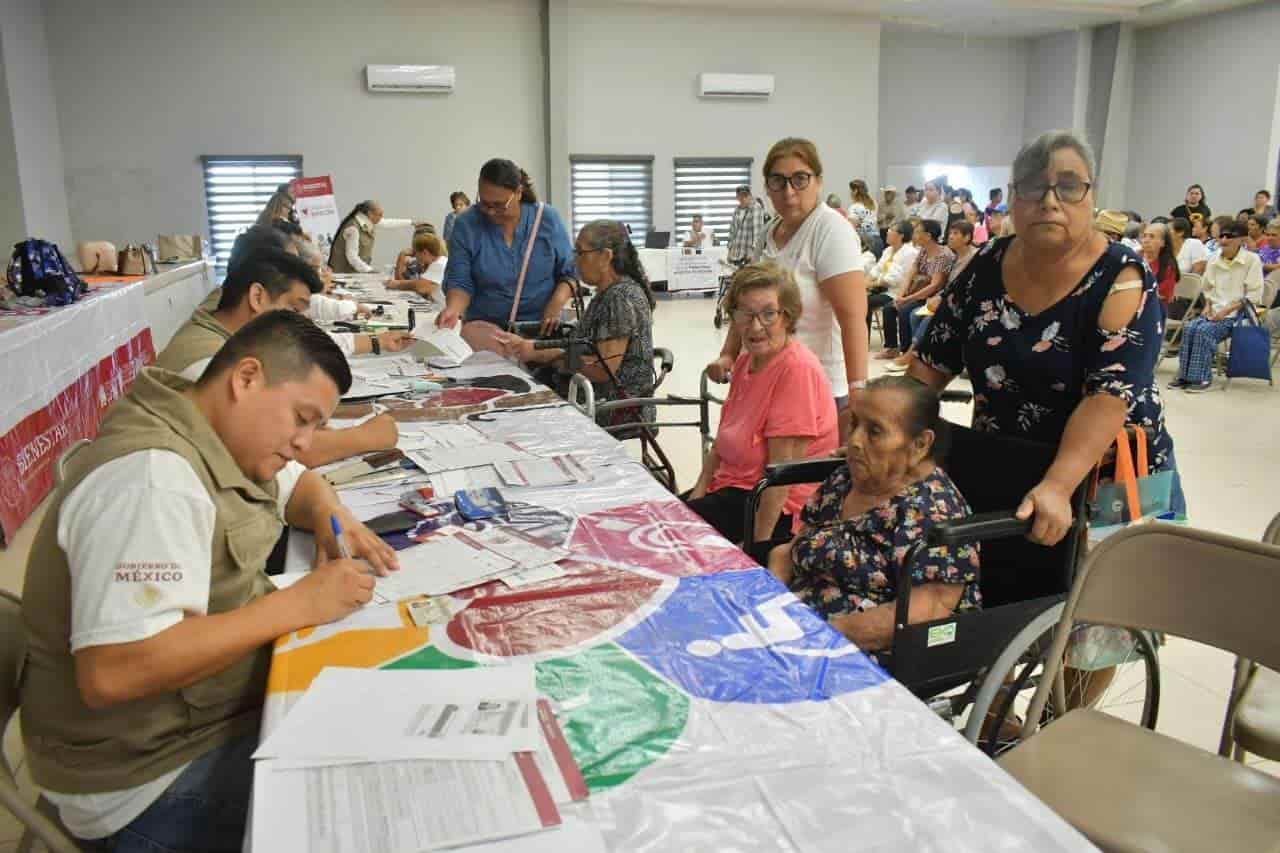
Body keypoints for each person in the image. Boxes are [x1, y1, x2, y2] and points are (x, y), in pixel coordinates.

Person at [20, 310, 399, 850]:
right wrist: (299, 605)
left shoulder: (211, 422)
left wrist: (335, 518)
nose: (303, 442)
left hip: (184, 725)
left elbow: (300, 484)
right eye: (302, 418)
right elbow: (114, 672)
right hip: (144, 778)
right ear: (246, 379)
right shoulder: (155, 480)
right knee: (367, 804)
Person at [912, 130, 1183, 544]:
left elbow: (1108, 398)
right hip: (1005, 461)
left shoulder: (1123, 275)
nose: (1050, 201)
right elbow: (930, 365)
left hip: (1108, 471)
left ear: (1092, 196)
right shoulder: (986, 264)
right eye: (1034, 187)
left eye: (1070, 186)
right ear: (1014, 196)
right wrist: (887, 425)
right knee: (1005, 592)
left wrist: (1058, 484)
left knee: (1120, 596)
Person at [767, 376, 980, 651]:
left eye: (874, 431)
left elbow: (923, 613)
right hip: (794, 624)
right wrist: (770, 603)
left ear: (920, 444)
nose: (854, 440)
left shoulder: (934, 514)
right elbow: (790, 552)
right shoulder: (845, 479)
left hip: (863, 650)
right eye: (855, 424)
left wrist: (816, 637)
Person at [156, 248, 404, 467]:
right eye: (295, 310)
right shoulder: (205, 360)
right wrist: (365, 437)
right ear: (257, 297)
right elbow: (270, 449)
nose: (301, 322)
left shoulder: (223, 330)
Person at [706, 137, 868, 426]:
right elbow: (747, 302)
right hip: (763, 380)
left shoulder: (831, 231)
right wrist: (728, 355)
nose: (789, 192)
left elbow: (853, 318)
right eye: (778, 181)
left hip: (815, 388)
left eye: (800, 179)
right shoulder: (769, 230)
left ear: (818, 181)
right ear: (767, 187)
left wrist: (858, 390)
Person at [688, 262, 839, 544]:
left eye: (769, 314)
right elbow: (721, 443)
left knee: (671, 534)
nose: (756, 326)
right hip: (733, 488)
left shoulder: (796, 370)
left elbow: (782, 477)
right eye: (745, 314)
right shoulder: (746, 362)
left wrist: (756, 548)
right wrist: (699, 489)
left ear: (788, 316)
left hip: (774, 508)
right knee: (664, 518)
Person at [499, 219, 656, 431]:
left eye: (580, 253)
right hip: (596, 397)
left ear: (605, 256)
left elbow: (602, 369)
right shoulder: (611, 293)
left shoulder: (619, 298)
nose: (575, 261)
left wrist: (541, 354)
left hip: (612, 407)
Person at [438, 158, 578, 353]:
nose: (490, 212)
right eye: (484, 203)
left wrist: (555, 305)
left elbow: (570, 273)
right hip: (487, 335)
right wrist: (453, 310)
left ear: (518, 193)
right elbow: (460, 280)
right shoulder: (466, 224)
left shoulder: (547, 220)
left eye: (499, 205)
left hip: (539, 334)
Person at [1169, 220, 1264, 392]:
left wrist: (1225, 311)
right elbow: (1208, 289)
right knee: (1190, 327)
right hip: (1215, 311)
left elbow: (1253, 296)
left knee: (1204, 332)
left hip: (1237, 315)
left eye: (1230, 236)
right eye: (1221, 236)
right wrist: (1208, 306)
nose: (1224, 240)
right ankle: (1184, 376)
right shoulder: (1214, 259)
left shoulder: (1252, 260)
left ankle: (1201, 378)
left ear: (1242, 239)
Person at [889, 221, 977, 372]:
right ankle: (920, 355)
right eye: (950, 233)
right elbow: (948, 285)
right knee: (915, 315)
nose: (950, 237)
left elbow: (957, 287)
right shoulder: (954, 256)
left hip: (964, 303)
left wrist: (940, 298)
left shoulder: (972, 257)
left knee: (928, 319)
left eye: (955, 234)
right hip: (945, 298)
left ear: (967, 237)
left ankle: (910, 355)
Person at [878, 220, 953, 361]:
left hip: (934, 297)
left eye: (918, 232)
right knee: (890, 308)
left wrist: (907, 299)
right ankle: (892, 348)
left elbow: (935, 285)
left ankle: (908, 352)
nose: (914, 235)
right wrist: (900, 296)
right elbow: (910, 274)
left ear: (928, 236)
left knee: (906, 311)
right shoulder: (923, 251)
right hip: (919, 293)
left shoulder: (943, 255)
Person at [867, 221, 918, 341]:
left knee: (865, 301)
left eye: (891, 230)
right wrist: (865, 283)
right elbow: (876, 270)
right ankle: (861, 338)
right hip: (881, 288)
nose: (888, 232)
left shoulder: (910, 253)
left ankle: (867, 340)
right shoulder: (888, 250)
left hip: (897, 292)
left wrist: (871, 284)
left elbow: (894, 280)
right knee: (859, 297)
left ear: (901, 235)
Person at [390, 231, 448, 302]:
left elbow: (421, 288)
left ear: (425, 253)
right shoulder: (439, 262)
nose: (415, 257)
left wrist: (397, 284)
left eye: (416, 253)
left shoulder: (439, 264)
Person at [329, 200, 383, 274]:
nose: (381, 218)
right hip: (341, 274)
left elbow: (387, 223)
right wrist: (369, 270)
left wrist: (405, 223)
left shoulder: (363, 221)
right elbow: (352, 256)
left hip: (351, 273)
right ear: (370, 214)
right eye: (380, 215)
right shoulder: (353, 228)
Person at [1140, 222, 1180, 306]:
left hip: (1154, 309)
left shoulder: (1168, 267)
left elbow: (1162, 296)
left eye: (1152, 236)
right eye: (1144, 236)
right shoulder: (1135, 258)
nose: (1146, 240)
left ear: (1163, 243)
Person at [727, 184, 766, 268]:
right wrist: (729, 250)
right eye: (740, 196)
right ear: (737, 197)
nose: (743, 198)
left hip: (748, 255)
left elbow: (757, 232)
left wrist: (753, 251)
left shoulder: (756, 207)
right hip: (735, 254)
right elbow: (732, 232)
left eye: (745, 195)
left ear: (750, 195)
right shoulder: (737, 210)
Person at [847, 179, 881, 254]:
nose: (850, 193)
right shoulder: (874, 203)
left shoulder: (854, 207)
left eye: (850, 191)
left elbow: (852, 227)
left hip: (864, 242)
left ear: (855, 191)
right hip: (877, 240)